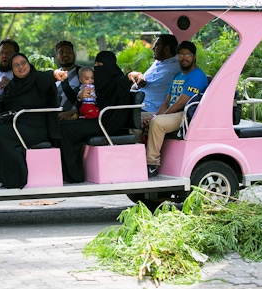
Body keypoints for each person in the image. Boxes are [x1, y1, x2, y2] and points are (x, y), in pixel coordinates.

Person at [0, 53, 67, 189]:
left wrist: (55, 74)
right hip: (13, 124)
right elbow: (0, 102)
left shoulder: (37, 79)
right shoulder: (12, 85)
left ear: (28, 64)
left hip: (34, 128)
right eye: (16, 65)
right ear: (12, 69)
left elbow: (48, 76)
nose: (21, 67)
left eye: (23, 63)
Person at [58, 51, 133, 183]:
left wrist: (132, 75)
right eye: (96, 64)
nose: (98, 67)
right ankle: (66, 172)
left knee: (66, 131)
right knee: (61, 127)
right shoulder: (98, 83)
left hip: (107, 123)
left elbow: (125, 81)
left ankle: (75, 175)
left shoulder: (116, 81)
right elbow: (89, 104)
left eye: (101, 64)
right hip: (96, 118)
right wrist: (80, 97)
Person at [145, 41, 209, 176]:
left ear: (194, 57)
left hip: (185, 114)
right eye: (181, 54)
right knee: (139, 119)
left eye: (188, 55)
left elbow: (181, 103)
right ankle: (136, 160)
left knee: (157, 123)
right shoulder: (177, 75)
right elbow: (166, 102)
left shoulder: (197, 75)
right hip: (172, 113)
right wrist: (154, 115)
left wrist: (158, 118)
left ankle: (152, 164)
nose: (184, 58)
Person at [127, 34, 181, 128]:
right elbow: (135, 86)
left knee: (120, 117)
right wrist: (139, 84)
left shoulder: (178, 67)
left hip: (150, 110)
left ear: (166, 48)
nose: (153, 48)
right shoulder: (157, 63)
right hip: (136, 104)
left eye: (156, 45)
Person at [54, 40, 82, 120]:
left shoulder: (84, 74)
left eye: (68, 51)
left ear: (73, 54)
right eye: (61, 52)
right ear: (57, 56)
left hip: (76, 119)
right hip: (56, 120)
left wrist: (70, 113)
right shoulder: (54, 76)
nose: (65, 54)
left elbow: (92, 101)